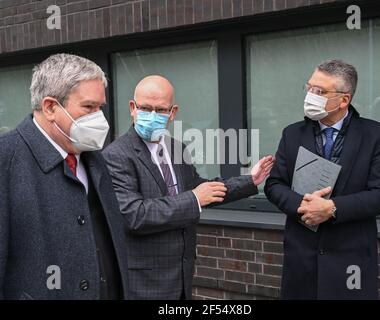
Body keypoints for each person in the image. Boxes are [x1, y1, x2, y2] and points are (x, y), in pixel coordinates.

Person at [102, 75, 274, 300]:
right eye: (145, 108)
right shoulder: (116, 155)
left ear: (172, 113)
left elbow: (200, 189)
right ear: (132, 108)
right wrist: (193, 199)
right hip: (145, 282)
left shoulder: (176, 148)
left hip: (181, 274)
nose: (152, 115)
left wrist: (249, 180)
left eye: (160, 110)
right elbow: (133, 214)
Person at [0, 54, 129, 300]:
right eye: (88, 107)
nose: (99, 119)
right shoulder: (6, 159)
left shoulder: (94, 158)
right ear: (50, 107)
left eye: (100, 108)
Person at [264, 59, 380, 299]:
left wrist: (332, 208)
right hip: (301, 262)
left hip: (351, 263)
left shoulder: (376, 135)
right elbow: (274, 185)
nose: (310, 95)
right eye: (310, 87)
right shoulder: (292, 134)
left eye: (320, 91)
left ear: (344, 100)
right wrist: (301, 204)